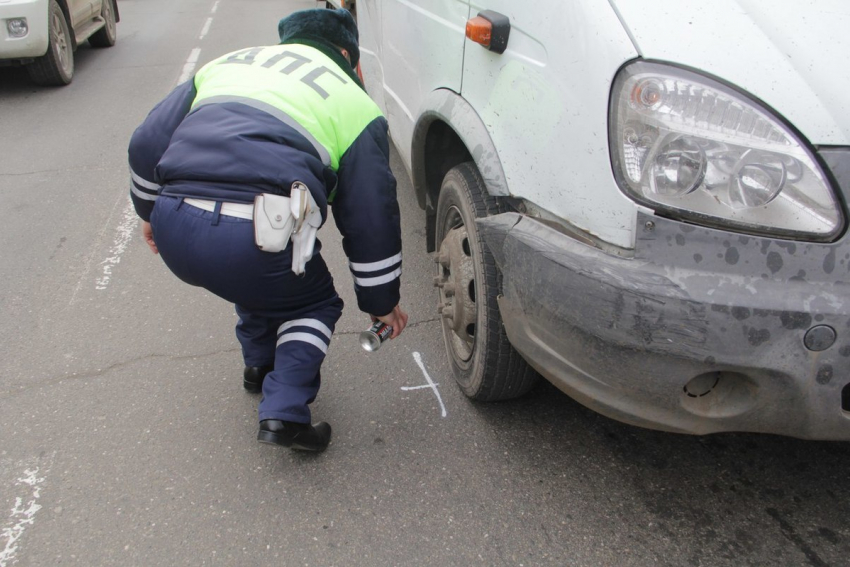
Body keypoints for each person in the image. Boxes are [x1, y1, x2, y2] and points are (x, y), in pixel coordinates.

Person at [127, 8, 408, 452]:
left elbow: (146, 142)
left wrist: (147, 210)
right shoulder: (354, 102)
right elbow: (371, 214)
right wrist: (381, 301)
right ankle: (285, 411)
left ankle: (258, 366)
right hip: (257, 231)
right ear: (346, 56)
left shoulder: (228, 64)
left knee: (263, 278)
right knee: (312, 302)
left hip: (175, 220)